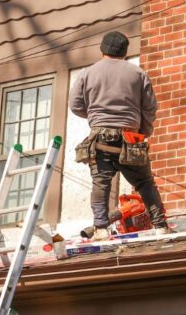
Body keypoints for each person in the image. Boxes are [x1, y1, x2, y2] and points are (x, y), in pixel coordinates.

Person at [69, 31, 168, 240]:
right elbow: (149, 108)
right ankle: (160, 226)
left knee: (100, 183)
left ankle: (101, 228)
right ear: (124, 51)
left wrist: (97, 116)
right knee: (144, 182)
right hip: (130, 137)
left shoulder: (88, 73)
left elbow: (75, 105)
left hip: (100, 138)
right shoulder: (138, 73)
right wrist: (143, 131)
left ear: (103, 49)